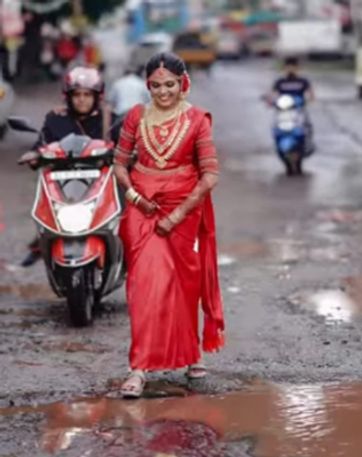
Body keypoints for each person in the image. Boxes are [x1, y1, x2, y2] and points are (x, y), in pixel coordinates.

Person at [112, 52, 225, 398]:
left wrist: (176, 215)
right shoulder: (135, 116)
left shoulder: (196, 120)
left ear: (183, 82)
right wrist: (135, 198)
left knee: (183, 285)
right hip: (142, 210)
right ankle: (139, 367)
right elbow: (119, 165)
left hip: (183, 211)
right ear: (148, 85)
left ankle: (191, 353)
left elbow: (210, 175)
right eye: (156, 85)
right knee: (143, 286)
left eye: (170, 84)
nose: (163, 92)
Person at [18, 66, 116, 266]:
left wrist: (127, 154)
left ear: (96, 96)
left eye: (87, 94)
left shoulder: (110, 119)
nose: (82, 99)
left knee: (130, 221)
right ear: (68, 96)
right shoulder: (56, 119)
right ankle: (41, 244)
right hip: (63, 182)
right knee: (46, 216)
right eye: (77, 94)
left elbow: (126, 143)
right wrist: (35, 155)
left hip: (101, 182)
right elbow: (42, 143)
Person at [269, 56, 314, 153]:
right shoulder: (280, 82)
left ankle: (308, 143)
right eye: (288, 67)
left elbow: (311, 95)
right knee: (275, 125)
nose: (290, 69)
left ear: (297, 68)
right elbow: (273, 94)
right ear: (284, 68)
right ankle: (277, 143)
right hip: (283, 111)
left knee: (307, 125)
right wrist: (270, 101)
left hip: (298, 110)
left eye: (293, 67)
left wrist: (308, 100)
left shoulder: (303, 81)